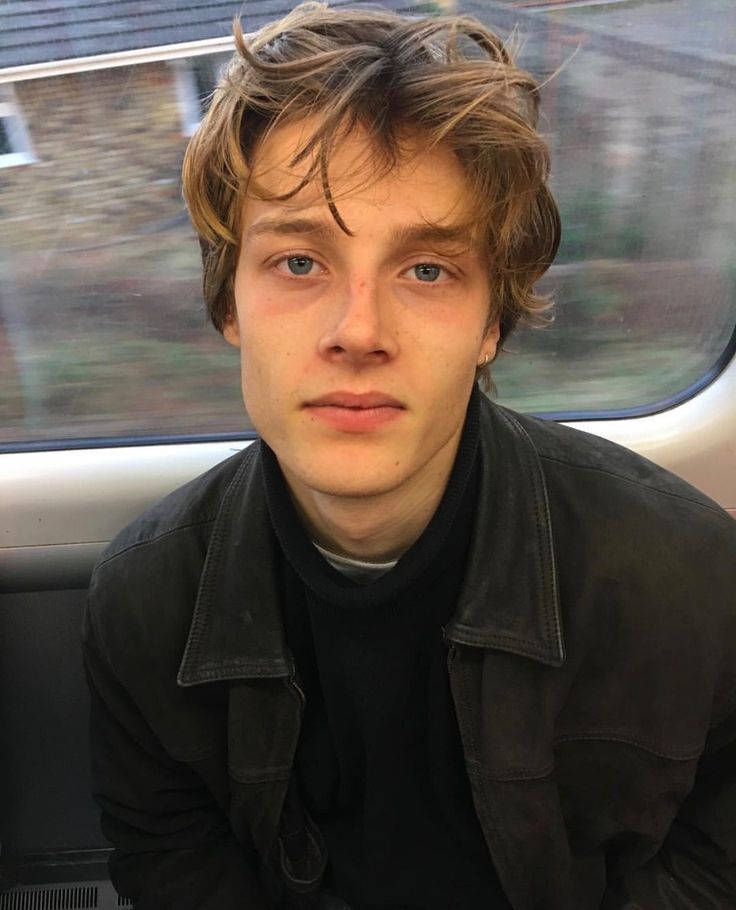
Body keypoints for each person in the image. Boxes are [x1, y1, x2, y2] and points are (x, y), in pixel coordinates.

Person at [82, 3, 736, 909]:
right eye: (299, 263)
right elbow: (171, 866)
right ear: (228, 303)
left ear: (490, 324)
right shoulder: (144, 603)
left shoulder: (690, 579)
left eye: (427, 269)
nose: (359, 332)